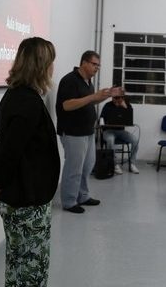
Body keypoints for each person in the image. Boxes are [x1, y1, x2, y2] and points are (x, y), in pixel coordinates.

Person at [0, 37, 60, 287]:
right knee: (31, 270)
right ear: (41, 66)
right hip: (27, 201)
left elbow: (2, 141)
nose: (53, 67)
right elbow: (10, 151)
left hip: (20, 196)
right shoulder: (28, 103)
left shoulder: (14, 95)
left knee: (17, 263)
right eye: (51, 62)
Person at [57, 50, 112, 214]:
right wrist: (93, 96)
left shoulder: (88, 82)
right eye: (94, 64)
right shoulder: (69, 80)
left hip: (87, 131)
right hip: (73, 132)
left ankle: (83, 196)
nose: (97, 68)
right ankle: (69, 201)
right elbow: (67, 105)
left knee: (87, 166)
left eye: (98, 66)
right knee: (74, 168)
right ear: (84, 63)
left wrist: (105, 96)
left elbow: (89, 102)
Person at [100, 90, 139, 174]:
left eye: (118, 98)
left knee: (135, 140)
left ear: (122, 97)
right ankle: (114, 164)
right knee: (110, 140)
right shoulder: (107, 105)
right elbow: (101, 119)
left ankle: (132, 164)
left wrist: (125, 107)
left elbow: (129, 120)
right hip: (108, 130)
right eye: (114, 97)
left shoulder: (126, 105)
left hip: (120, 131)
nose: (116, 99)